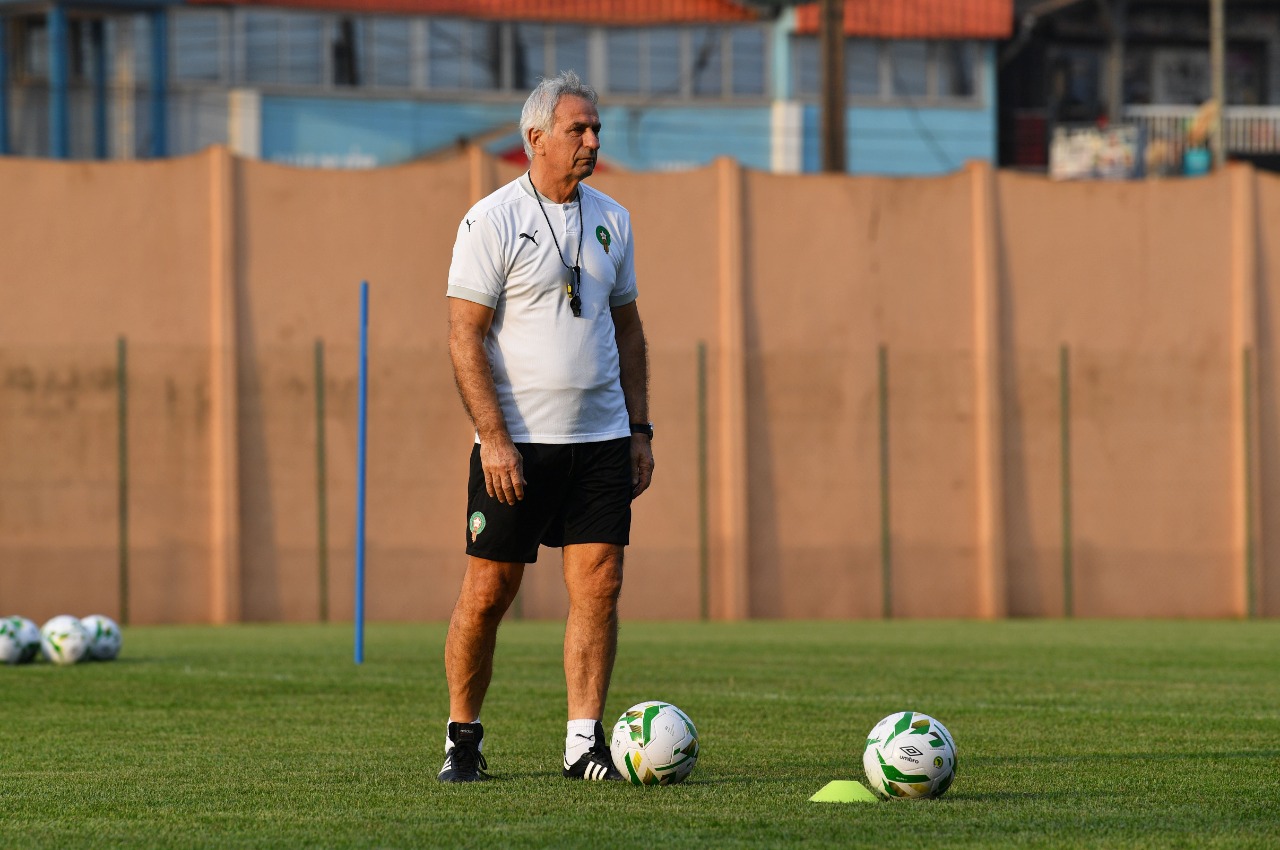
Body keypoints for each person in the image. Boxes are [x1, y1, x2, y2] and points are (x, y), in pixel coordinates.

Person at [439, 70, 654, 783]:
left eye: (595, 128)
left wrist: (640, 428)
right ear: (535, 138)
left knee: (600, 584)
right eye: (578, 129)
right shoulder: (492, 219)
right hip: (518, 446)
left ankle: (582, 744)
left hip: (600, 440)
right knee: (489, 592)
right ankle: (462, 738)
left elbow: (627, 331)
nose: (592, 140)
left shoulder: (613, 219)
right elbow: (464, 336)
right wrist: (494, 439)